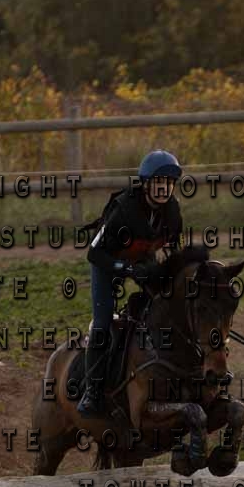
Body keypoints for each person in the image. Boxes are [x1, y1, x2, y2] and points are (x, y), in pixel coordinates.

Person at [77, 149, 184, 418]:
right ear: (145, 184)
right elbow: (94, 253)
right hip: (108, 264)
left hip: (142, 262)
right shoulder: (123, 209)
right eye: (158, 182)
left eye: (169, 182)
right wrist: (125, 269)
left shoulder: (172, 211)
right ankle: (92, 392)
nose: (164, 188)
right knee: (103, 323)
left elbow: (174, 250)